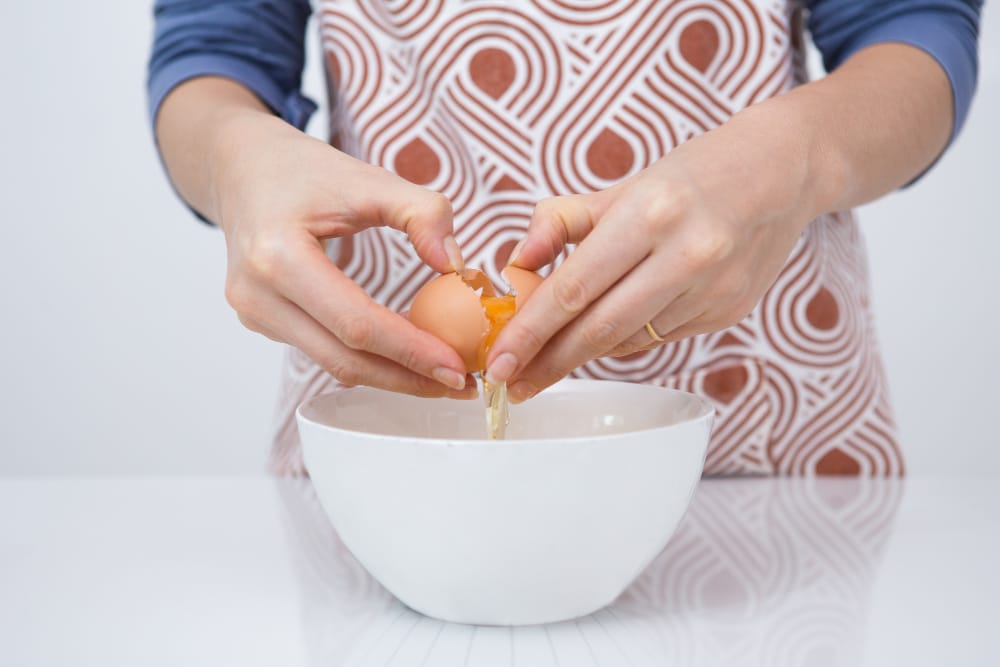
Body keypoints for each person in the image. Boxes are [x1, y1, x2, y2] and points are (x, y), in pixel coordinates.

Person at [149, 0, 982, 476]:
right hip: (393, 458)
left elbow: (915, 32)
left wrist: (796, 159)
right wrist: (235, 157)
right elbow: (214, 56)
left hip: (768, 442)